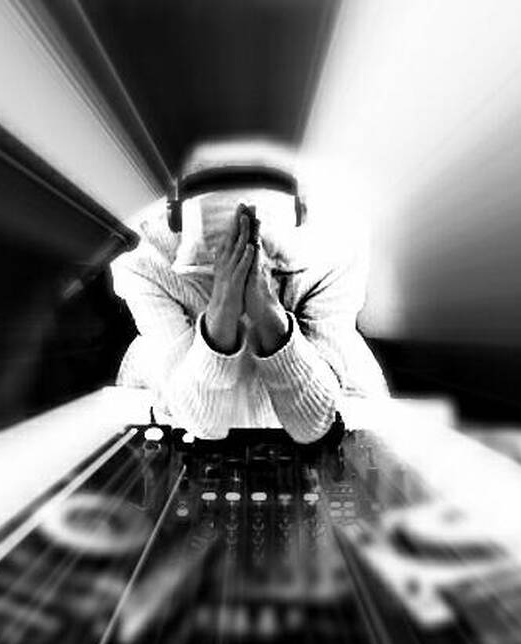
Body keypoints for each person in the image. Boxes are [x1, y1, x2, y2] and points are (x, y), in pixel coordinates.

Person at [111, 140, 388, 442]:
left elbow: (314, 423)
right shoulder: (144, 257)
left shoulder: (337, 245)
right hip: (175, 419)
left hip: (338, 416)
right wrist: (220, 315)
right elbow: (203, 423)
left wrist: (269, 314)